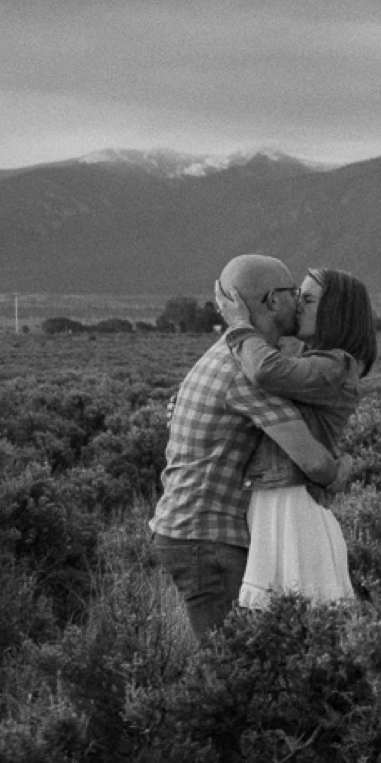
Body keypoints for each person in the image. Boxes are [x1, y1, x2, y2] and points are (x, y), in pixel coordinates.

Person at [148, 254, 349, 636]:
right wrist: (342, 468)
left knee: (238, 661)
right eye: (295, 295)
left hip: (190, 531)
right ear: (274, 301)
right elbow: (313, 463)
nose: (299, 304)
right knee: (233, 666)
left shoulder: (226, 353)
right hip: (205, 538)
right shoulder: (248, 375)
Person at [216, 266, 376, 607]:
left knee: (299, 613)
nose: (297, 305)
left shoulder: (336, 365)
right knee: (287, 619)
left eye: (307, 299)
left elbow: (265, 371)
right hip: (279, 497)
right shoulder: (315, 362)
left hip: (293, 503)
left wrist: (240, 326)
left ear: (335, 311)